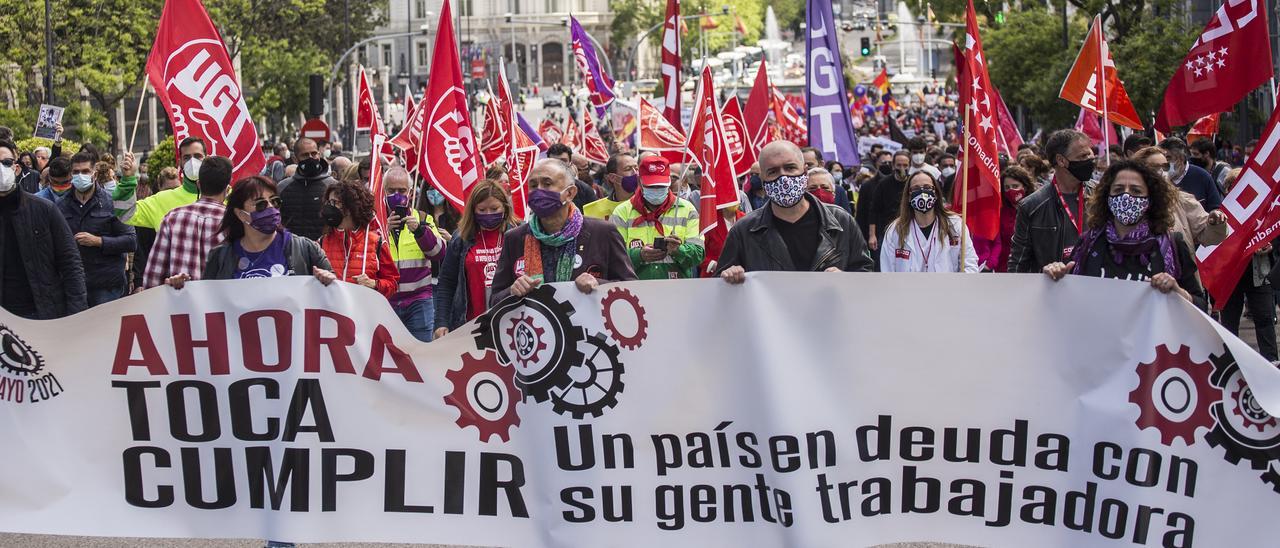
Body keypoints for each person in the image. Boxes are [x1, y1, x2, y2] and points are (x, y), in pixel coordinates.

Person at [1043, 160, 1205, 309]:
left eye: (1136, 190)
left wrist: (1178, 292)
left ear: (1150, 199)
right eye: (1119, 189)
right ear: (1107, 196)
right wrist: (1056, 276)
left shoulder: (1172, 244)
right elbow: (1067, 301)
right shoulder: (1088, 244)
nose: (1126, 196)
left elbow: (1200, 305)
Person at [717, 141, 874, 283]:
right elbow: (719, 286)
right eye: (773, 172)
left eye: (790, 168)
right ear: (763, 180)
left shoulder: (841, 221)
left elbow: (865, 273)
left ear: (805, 171)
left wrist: (846, 279)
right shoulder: (744, 230)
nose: (783, 177)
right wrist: (729, 276)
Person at [489, 159, 636, 303]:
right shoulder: (515, 238)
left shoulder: (602, 232)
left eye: (547, 184)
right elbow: (494, 299)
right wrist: (512, 291)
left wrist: (599, 284)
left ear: (570, 193)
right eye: (533, 185)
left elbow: (631, 287)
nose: (538, 190)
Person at [166, 176, 335, 287]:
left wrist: (328, 280)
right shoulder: (221, 257)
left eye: (275, 201)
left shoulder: (305, 249)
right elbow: (206, 306)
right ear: (241, 214)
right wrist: (181, 290)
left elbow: (336, 293)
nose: (270, 208)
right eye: (260, 204)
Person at [0, 140, 86, 319]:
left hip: (43, 314)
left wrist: (77, 314)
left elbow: (70, 262)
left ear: (16, 169)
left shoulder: (44, 209)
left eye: (6, 163)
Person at [434, 179, 520, 338]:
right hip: (471, 327)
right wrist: (441, 322)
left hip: (511, 324)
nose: (488, 214)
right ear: (473, 210)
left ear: (505, 208)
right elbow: (447, 282)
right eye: (482, 209)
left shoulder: (518, 235)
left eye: (494, 208)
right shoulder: (461, 239)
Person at [1008, 129, 1096, 273]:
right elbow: (1018, 264)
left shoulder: (1100, 195)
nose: (1090, 159)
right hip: (1052, 290)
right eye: (1083, 156)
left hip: (1094, 288)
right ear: (1061, 160)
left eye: (1090, 153)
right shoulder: (1031, 206)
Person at [57, 152, 136, 306]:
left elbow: (131, 241)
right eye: (76, 172)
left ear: (94, 173)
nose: (80, 176)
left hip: (106, 286)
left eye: (85, 171)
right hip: (74, 285)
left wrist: (98, 241)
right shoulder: (60, 205)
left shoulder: (112, 201)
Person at [1214, 167, 1277, 360]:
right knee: (1229, 323)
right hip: (1231, 277)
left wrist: (1269, 245)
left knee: (1265, 318)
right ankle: (1231, 361)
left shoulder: (1263, 211)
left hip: (1259, 273)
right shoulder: (1220, 213)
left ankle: (1271, 361)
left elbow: (1273, 232)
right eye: (1232, 187)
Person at [143, 156, 232, 289]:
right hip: (222, 306)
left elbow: (152, 280)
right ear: (227, 188)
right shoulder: (233, 221)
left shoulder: (172, 219)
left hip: (181, 307)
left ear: (198, 185)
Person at [382, 167, 449, 342]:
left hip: (418, 301)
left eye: (402, 190)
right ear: (383, 191)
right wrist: (382, 231)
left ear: (410, 193)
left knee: (420, 356)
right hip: (385, 302)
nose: (397, 195)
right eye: (391, 190)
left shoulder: (424, 219)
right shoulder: (376, 221)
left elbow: (439, 252)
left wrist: (420, 231)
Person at [611, 155, 704, 280]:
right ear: (639, 182)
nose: (656, 190)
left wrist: (678, 250)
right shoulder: (622, 212)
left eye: (661, 186)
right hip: (636, 293)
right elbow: (612, 257)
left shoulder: (687, 210)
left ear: (669, 182)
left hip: (676, 292)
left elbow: (699, 254)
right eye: (651, 186)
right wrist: (639, 255)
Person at [879, 171, 978, 273]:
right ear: (908, 196)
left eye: (927, 187)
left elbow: (970, 263)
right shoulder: (895, 230)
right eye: (916, 189)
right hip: (908, 288)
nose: (922, 192)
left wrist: (960, 287)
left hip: (947, 288)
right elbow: (887, 270)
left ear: (936, 194)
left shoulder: (955, 225)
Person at [1130, 146, 1227, 249]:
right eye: (1154, 167)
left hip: (1177, 264)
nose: (1161, 171)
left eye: (1165, 166)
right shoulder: (1127, 203)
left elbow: (1208, 236)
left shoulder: (1182, 200)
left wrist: (1215, 223)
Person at [317, 180, 399, 300]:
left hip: (362, 314)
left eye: (335, 202)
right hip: (331, 312)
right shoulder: (322, 242)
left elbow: (393, 284)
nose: (330, 207)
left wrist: (374, 284)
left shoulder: (376, 243)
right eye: (329, 202)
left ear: (350, 207)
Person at [276, 138, 336, 241]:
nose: (311, 158)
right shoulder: (282, 187)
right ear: (295, 159)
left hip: (324, 250)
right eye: (305, 155)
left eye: (314, 153)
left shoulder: (333, 186)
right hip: (292, 250)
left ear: (319, 154)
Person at [867, 150, 912, 257]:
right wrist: (872, 235)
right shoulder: (883, 184)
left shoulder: (912, 183)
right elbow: (874, 210)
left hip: (909, 231)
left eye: (905, 165)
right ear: (893, 166)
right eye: (899, 165)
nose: (902, 168)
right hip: (887, 232)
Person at [1160, 137, 1223, 212]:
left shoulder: (1202, 177)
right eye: (1162, 157)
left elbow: (1216, 209)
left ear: (1181, 158)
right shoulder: (1158, 179)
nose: (1164, 162)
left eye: (1168, 158)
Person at [994, 166, 1037, 272]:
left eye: (1015, 186)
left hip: (1031, 269)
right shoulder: (1000, 211)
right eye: (1007, 187)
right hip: (1004, 268)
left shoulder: (1036, 208)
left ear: (1025, 187)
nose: (1011, 190)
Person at [583, 152, 638, 221]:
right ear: (612, 178)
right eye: (628, 169)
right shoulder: (592, 210)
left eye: (636, 168)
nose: (635, 173)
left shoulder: (649, 206)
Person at [801, 147, 852, 212]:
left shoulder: (838, 190)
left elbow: (846, 218)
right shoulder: (796, 191)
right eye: (802, 165)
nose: (806, 168)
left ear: (821, 164)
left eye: (809, 164)